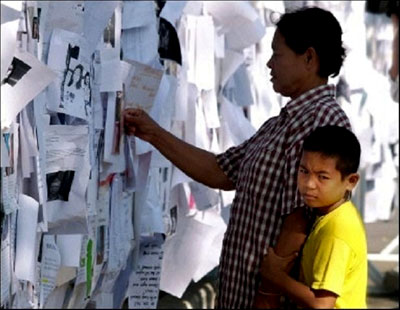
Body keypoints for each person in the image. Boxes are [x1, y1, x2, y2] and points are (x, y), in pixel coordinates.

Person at [124, 7, 351, 309]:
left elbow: (299, 217)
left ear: (308, 58)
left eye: (277, 54)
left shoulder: (321, 121)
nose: (269, 64)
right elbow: (221, 171)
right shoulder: (283, 122)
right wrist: (153, 133)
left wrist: (267, 297)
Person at [260, 125, 367, 309]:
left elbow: (322, 304)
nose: (309, 184)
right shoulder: (328, 214)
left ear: (351, 181)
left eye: (322, 177)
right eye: (304, 171)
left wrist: (275, 276)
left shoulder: (337, 229)